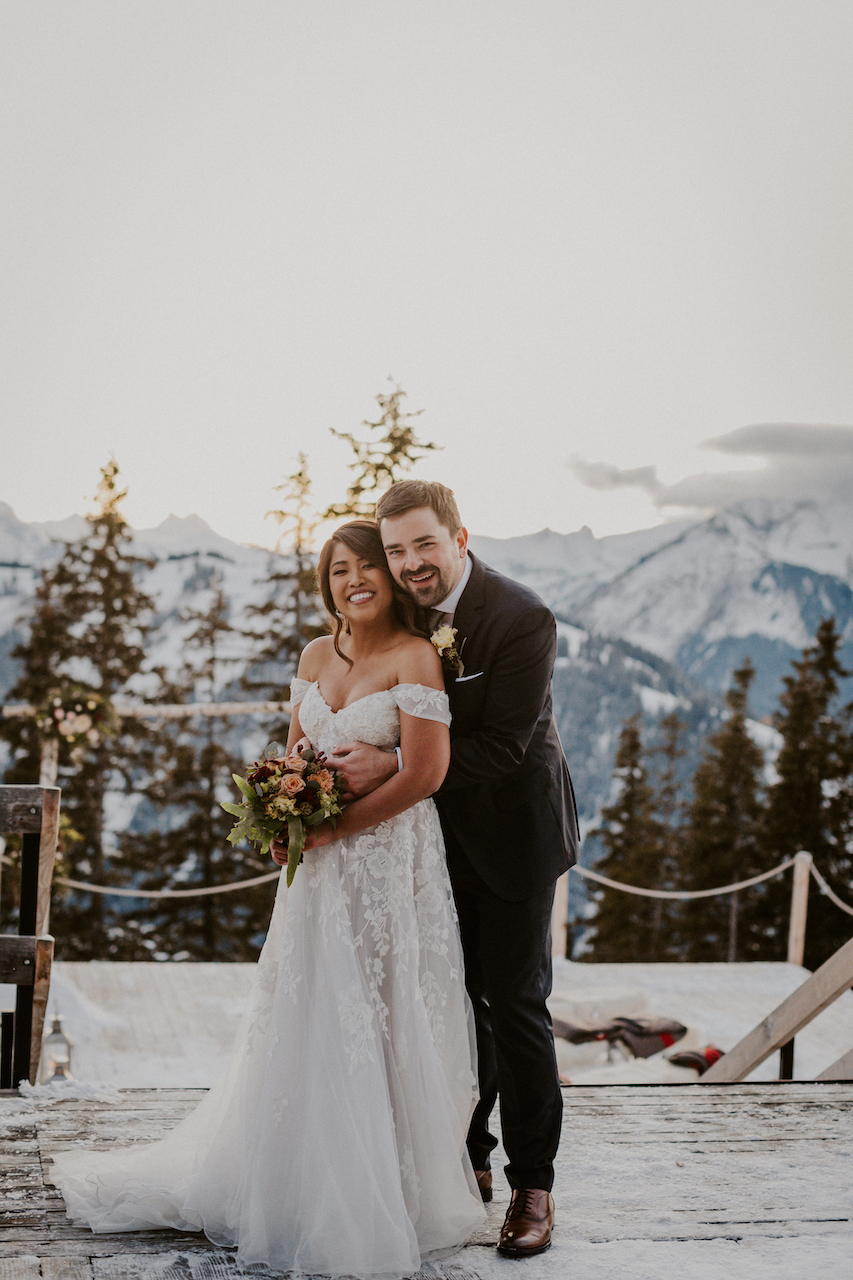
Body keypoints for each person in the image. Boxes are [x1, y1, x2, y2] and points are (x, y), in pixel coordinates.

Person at [50, 519, 485, 1280]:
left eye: (366, 567)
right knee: (309, 1004)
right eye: (336, 570)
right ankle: (290, 1182)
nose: (352, 581)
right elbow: (295, 750)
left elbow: (424, 773)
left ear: (389, 575)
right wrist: (283, 810)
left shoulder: (415, 656)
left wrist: (335, 829)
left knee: (378, 1008)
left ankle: (386, 1192)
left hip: (385, 864)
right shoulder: (316, 655)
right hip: (317, 872)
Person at [326, 480, 579, 1259]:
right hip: (422, 842)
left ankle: (530, 1185)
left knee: (515, 1006)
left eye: (423, 545)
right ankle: (459, 1157)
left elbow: (505, 745)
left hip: (510, 838)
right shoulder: (400, 610)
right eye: (395, 550)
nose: (409, 564)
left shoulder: (519, 617)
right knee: (443, 997)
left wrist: (393, 762)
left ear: (459, 538)